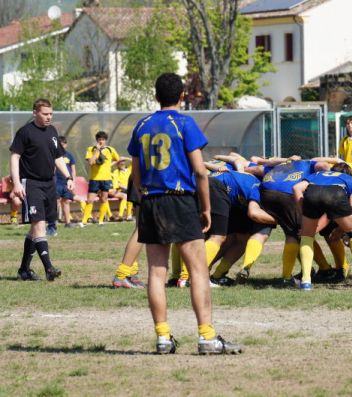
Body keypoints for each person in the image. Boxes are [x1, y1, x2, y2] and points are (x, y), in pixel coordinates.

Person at [127, 72, 241, 355]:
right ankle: (206, 337)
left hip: (152, 201)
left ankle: (163, 337)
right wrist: (205, 208)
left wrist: (145, 197)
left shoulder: (141, 125)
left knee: (156, 271)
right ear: (182, 97)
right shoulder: (184, 123)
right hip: (179, 200)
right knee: (198, 270)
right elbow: (201, 171)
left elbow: (136, 174)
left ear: (156, 96)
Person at [292, 163, 352, 289]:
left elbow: (296, 188)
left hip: (311, 194)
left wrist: (304, 213)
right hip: (336, 194)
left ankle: (306, 281)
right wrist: (343, 226)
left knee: (307, 236)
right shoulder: (351, 179)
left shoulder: (317, 174)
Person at [10, 98, 73, 281]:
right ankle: (49, 268)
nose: (49, 117)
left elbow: (58, 157)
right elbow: (15, 157)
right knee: (39, 226)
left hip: (49, 184)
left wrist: (68, 177)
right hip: (31, 184)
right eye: (45, 114)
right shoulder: (25, 132)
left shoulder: (52, 131)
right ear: (35, 113)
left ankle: (24, 269)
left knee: (36, 229)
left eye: (51, 114)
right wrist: (16, 183)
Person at [82, 131, 120, 225]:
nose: (101, 141)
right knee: (90, 200)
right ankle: (84, 221)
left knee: (103, 199)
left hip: (106, 179)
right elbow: (91, 162)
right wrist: (97, 151)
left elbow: (118, 159)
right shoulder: (91, 149)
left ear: (105, 140)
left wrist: (109, 165)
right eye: (99, 139)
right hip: (94, 179)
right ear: (96, 140)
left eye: (103, 139)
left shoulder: (110, 150)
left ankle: (101, 221)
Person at [52, 136, 84, 230]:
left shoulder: (69, 155)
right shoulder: (54, 155)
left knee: (66, 201)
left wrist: (73, 181)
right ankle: (53, 222)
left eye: (63, 144)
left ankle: (67, 222)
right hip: (56, 182)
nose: (62, 145)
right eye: (60, 144)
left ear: (66, 145)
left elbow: (73, 170)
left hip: (66, 182)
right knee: (56, 202)